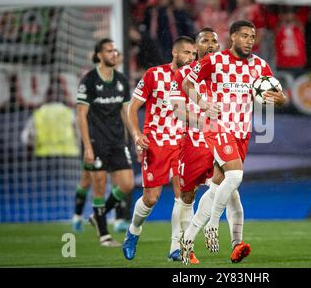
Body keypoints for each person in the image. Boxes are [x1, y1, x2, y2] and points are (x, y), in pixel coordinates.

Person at [181, 20, 287, 253]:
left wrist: (281, 99)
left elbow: (278, 93)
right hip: (217, 127)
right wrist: (203, 103)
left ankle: (190, 237)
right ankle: (212, 226)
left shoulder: (259, 65)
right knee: (236, 175)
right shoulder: (215, 61)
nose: (250, 40)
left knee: (220, 185)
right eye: (245, 36)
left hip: (241, 132)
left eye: (252, 36)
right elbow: (187, 82)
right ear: (232, 37)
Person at [170, 27, 251, 265]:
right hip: (195, 142)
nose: (212, 45)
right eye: (205, 41)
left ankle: (234, 244)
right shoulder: (183, 75)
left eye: (215, 41)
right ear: (196, 48)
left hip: (219, 137)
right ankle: (181, 243)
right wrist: (204, 115)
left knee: (230, 190)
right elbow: (177, 110)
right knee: (187, 196)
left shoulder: (224, 69)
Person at [122, 36, 197, 261]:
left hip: (182, 144)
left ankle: (176, 247)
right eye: (186, 53)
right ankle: (133, 232)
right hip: (156, 143)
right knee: (151, 198)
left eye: (193, 54)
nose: (190, 58)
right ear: (174, 53)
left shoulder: (194, 80)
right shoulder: (154, 74)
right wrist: (137, 135)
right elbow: (132, 108)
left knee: (183, 195)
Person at [76, 38, 134, 247]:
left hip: (118, 140)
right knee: (99, 184)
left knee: (127, 184)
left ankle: (97, 216)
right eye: (109, 51)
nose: (113, 54)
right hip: (96, 140)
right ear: (99, 55)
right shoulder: (89, 80)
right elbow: (81, 115)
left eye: (115, 51)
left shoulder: (121, 80)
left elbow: (126, 112)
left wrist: (135, 136)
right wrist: (88, 147)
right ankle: (104, 235)